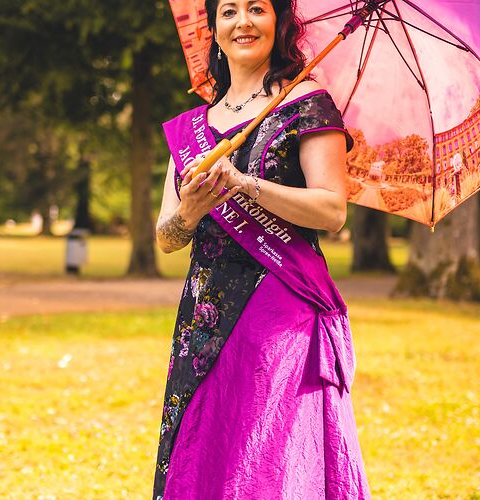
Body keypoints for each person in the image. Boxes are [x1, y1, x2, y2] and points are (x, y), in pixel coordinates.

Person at [153, 0, 371, 498]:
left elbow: (332, 211)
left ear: (280, 22)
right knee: (207, 448)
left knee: (263, 457)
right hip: (204, 316)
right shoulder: (191, 128)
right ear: (214, 28)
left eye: (257, 8)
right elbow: (166, 237)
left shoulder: (308, 103)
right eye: (229, 11)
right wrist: (189, 211)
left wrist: (245, 185)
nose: (243, 22)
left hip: (280, 307)